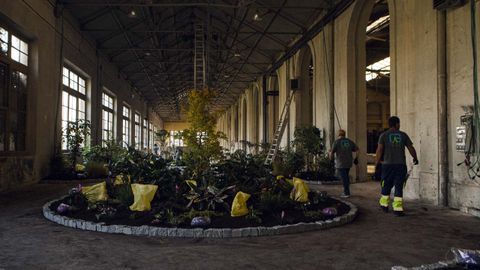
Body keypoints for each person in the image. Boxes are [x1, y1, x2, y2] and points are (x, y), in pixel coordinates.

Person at [375, 116, 418, 216]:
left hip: (387, 165)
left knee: (386, 184)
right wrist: (415, 158)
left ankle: (384, 205)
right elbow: (410, 148)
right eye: (399, 123)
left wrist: (377, 162)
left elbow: (379, 150)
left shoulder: (384, 135)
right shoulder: (403, 135)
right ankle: (398, 209)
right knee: (399, 185)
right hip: (400, 165)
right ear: (397, 124)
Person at [330, 129, 359, 198]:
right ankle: (346, 191)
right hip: (348, 162)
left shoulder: (336, 142)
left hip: (341, 163)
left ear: (338, 135)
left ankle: (346, 193)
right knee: (346, 176)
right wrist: (356, 158)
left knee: (344, 178)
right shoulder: (349, 141)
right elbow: (357, 150)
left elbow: (331, 152)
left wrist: (331, 160)